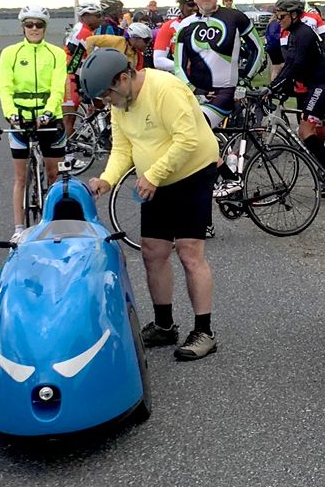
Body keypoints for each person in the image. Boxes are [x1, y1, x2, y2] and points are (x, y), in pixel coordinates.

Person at [80, 50, 221, 360]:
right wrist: (106, 180)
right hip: (156, 178)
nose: (107, 101)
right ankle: (165, 325)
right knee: (152, 251)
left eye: (108, 93)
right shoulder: (121, 102)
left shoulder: (164, 90)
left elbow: (188, 140)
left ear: (125, 77)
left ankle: (204, 331)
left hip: (192, 171)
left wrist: (155, 174)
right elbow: (123, 148)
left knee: (189, 251)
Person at [0, 7, 68, 241]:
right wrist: (10, 114)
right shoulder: (11, 53)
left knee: (54, 174)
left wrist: (48, 112)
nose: (35, 29)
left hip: (49, 119)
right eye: (30, 24)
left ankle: (57, 223)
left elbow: (59, 86)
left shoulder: (56, 53)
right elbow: (4, 87)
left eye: (39, 25)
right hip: (20, 119)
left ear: (45, 27)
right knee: (20, 177)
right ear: (23, 27)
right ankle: (18, 229)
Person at [264, 0, 325, 197]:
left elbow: (295, 65)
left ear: (293, 15)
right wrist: (275, 87)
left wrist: (273, 87)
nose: (278, 19)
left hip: (324, 82)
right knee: (313, 130)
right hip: (315, 83)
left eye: (281, 16)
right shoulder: (293, 33)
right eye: (276, 16)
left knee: (305, 128)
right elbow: (289, 65)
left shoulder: (303, 34)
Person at [176, 0, 250, 127]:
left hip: (225, 91)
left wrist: (245, 79)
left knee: (196, 128)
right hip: (196, 93)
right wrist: (196, 91)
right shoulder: (185, 25)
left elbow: (258, 50)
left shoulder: (235, 17)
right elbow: (179, 66)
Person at [153, 0, 188, 75]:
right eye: (191, 4)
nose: (195, 8)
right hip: (183, 75)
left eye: (197, 4)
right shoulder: (169, 26)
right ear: (181, 6)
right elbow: (158, 60)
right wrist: (182, 65)